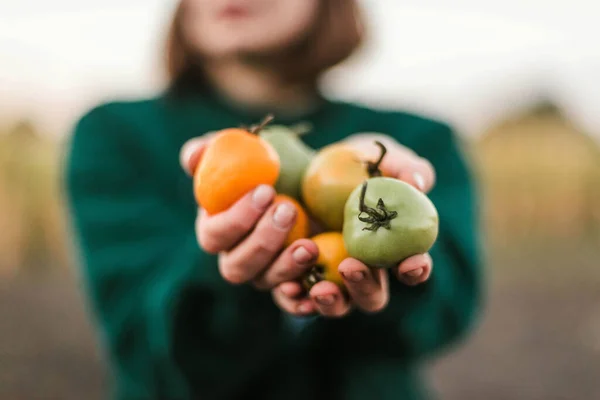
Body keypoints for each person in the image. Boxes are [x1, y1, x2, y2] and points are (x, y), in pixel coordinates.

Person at [64, 0, 483, 399]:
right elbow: (142, 343)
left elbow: (446, 310)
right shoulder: (117, 136)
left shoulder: (418, 141)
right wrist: (226, 274)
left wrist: (392, 270)